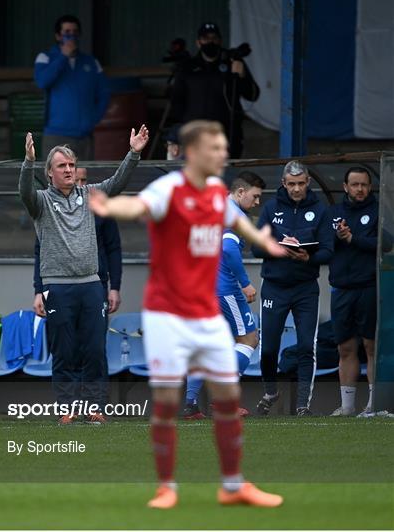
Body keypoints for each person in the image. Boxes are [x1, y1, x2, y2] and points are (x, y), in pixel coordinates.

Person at [89, 120, 285, 509]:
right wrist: (110, 204)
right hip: (167, 313)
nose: (222, 154)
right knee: (165, 402)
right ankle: (166, 487)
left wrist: (266, 241)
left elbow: (234, 226)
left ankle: (233, 485)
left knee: (227, 398)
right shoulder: (168, 189)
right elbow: (139, 205)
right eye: (215, 147)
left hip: (205, 313)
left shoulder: (216, 192)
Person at [19, 125, 149, 425]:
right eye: (61, 166)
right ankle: (67, 407)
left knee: (94, 350)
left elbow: (115, 184)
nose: (68, 170)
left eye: (71, 165)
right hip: (58, 287)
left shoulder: (90, 194)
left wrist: (133, 153)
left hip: (92, 285)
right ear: (49, 173)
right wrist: (28, 162)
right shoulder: (40, 201)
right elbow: (24, 192)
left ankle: (95, 407)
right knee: (64, 351)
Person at [252, 161, 333, 416]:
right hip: (274, 286)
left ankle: (302, 406)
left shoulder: (320, 210)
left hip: (306, 288)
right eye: (291, 184)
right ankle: (270, 390)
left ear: (308, 182)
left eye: (301, 184)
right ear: (284, 184)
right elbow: (255, 247)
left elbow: (329, 251)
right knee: (268, 348)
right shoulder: (271, 207)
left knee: (307, 345)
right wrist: (278, 246)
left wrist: (309, 258)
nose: (296, 189)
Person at [183, 171, 266, 419]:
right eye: (255, 196)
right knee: (248, 338)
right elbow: (229, 248)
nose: (257, 202)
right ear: (240, 192)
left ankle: (190, 403)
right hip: (225, 289)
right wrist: (245, 283)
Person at [33, 167, 122, 318]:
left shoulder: (100, 208)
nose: (79, 183)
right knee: (63, 339)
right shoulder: (51, 209)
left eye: (84, 180)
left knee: (95, 338)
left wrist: (115, 287)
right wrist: (38, 290)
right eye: (76, 180)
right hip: (60, 285)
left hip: (96, 283)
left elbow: (113, 249)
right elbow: (41, 252)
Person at [329, 167, 380, 416]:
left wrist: (353, 239)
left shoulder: (379, 211)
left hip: (369, 287)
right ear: (345, 186)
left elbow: (385, 243)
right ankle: (347, 407)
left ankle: (373, 404)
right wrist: (337, 237)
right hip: (341, 289)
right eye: (355, 184)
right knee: (345, 348)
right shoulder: (334, 213)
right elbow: (323, 243)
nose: (360, 189)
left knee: (371, 346)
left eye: (364, 185)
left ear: (370, 187)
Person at [170, 22, 259, 159]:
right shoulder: (188, 67)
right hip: (195, 137)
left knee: (224, 178)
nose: (210, 42)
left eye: (214, 38)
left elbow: (252, 95)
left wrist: (242, 76)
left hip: (226, 137)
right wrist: (175, 136)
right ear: (199, 42)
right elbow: (176, 104)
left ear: (220, 41)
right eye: (206, 38)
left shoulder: (231, 63)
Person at [34, 15, 110, 160]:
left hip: (84, 136)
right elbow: (42, 82)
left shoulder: (91, 62)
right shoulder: (46, 57)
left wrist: (93, 119)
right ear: (58, 36)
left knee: (84, 180)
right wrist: (63, 57)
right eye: (67, 32)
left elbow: (104, 93)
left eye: (75, 32)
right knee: (55, 180)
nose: (71, 36)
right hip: (56, 134)